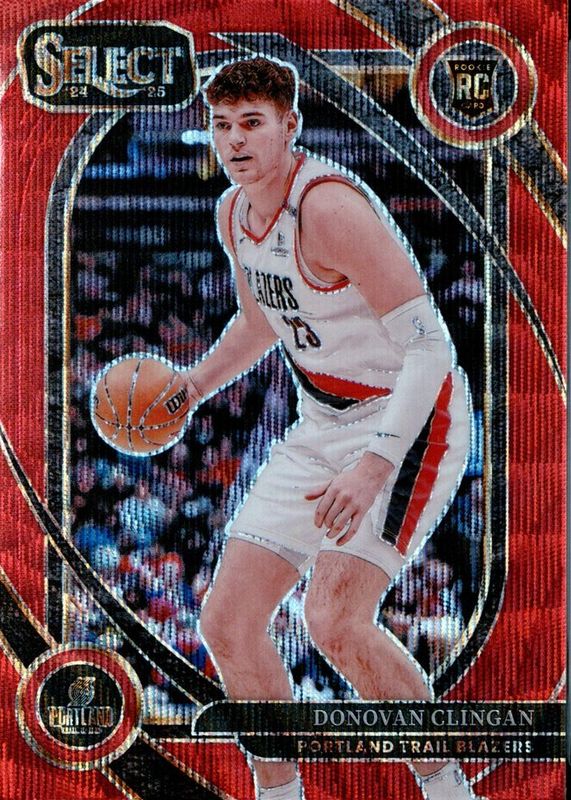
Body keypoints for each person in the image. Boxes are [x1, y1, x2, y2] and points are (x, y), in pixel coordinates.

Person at [183, 57, 476, 800]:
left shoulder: (329, 209)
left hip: (413, 416)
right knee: (229, 620)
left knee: (334, 619)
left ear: (290, 126)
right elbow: (260, 324)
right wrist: (194, 386)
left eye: (252, 123)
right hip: (322, 421)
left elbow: (430, 347)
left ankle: (449, 791)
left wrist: (374, 465)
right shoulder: (233, 213)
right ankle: (280, 794)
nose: (235, 140)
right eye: (222, 125)